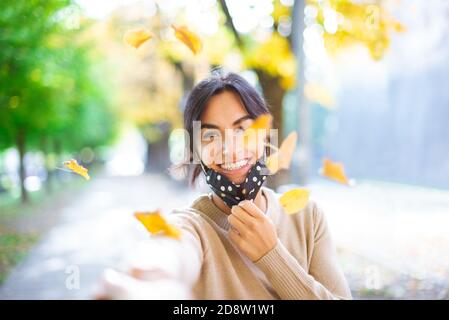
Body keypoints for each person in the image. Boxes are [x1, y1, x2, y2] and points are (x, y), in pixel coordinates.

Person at [96, 70, 352, 300]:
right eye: (210, 136)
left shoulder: (307, 216)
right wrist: (151, 278)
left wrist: (272, 255)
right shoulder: (192, 226)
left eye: (242, 130)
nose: (230, 150)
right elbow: (171, 248)